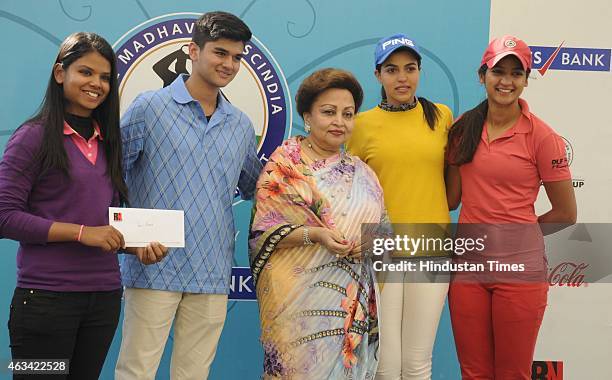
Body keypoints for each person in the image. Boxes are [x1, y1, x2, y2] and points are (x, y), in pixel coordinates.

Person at [0, 32, 167, 380]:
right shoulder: (31, 136)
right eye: (86, 72)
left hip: (103, 300)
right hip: (44, 301)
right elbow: (5, 217)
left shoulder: (108, 141)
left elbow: (102, 221)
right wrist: (81, 233)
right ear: (61, 73)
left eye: (105, 77)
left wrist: (134, 245)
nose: (97, 84)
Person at [115, 11, 263, 380]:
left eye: (237, 57)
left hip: (212, 271)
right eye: (220, 53)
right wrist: (127, 240)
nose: (229, 64)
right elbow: (109, 178)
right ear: (192, 51)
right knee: (137, 371)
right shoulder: (148, 108)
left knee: (194, 375)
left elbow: (260, 190)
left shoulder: (241, 125)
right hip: (152, 266)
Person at [445, 35, 577, 379]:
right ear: (482, 75)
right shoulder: (462, 129)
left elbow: (566, 212)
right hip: (468, 272)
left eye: (516, 74)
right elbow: (452, 198)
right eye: (498, 71)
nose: (506, 81)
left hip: (520, 274)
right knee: (473, 373)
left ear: (526, 79)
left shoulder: (542, 137)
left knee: (512, 374)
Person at [249, 68, 383, 379]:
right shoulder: (283, 167)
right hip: (296, 304)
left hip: (349, 304)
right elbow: (261, 233)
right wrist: (316, 235)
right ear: (307, 116)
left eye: (348, 114)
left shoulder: (363, 173)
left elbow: (384, 228)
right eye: (329, 112)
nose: (340, 121)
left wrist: (373, 241)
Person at [347, 34, 454, 379]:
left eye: (410, 68)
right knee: (386, 364)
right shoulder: (360, 125)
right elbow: (349, 193)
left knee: (418, 363)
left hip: (432, 247)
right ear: (378, 75)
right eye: (392, 70)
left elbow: (452, 188)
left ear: (420, 71)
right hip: (383, 251)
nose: (402, 77)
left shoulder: (441, 116)